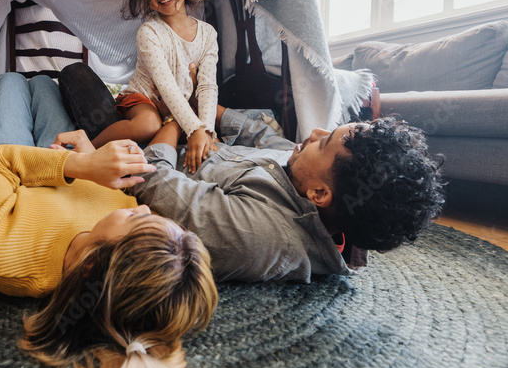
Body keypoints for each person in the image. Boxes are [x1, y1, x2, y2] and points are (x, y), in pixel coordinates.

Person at [57, 63, 446, 283]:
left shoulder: (261, 237)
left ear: (320, 195)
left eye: (325, 142)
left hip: (135, 150)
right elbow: (262, 134)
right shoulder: (305, 173)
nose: (313, 134)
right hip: (180, 123)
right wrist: (204, 110)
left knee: (72, 74)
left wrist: (178, 122)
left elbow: (155, 179)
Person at [0, 72, 218, 368]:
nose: (144, 207)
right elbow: (101, 185)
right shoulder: (115, 231)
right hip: (63, 162)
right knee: (42, 83)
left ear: (93, 263)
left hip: (15, 165)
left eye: (137, 219)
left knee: (11, 80)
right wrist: (88, 156)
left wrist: (79, 167)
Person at [89, 0, 220, 174]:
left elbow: (208, 86)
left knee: (206, 120)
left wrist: (206, 131)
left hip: (176, 105)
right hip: (146, 98)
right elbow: (166, 87)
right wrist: (194, 129)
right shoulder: (149, 33)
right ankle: (90, 147)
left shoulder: (208, 34)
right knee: (149, 125)